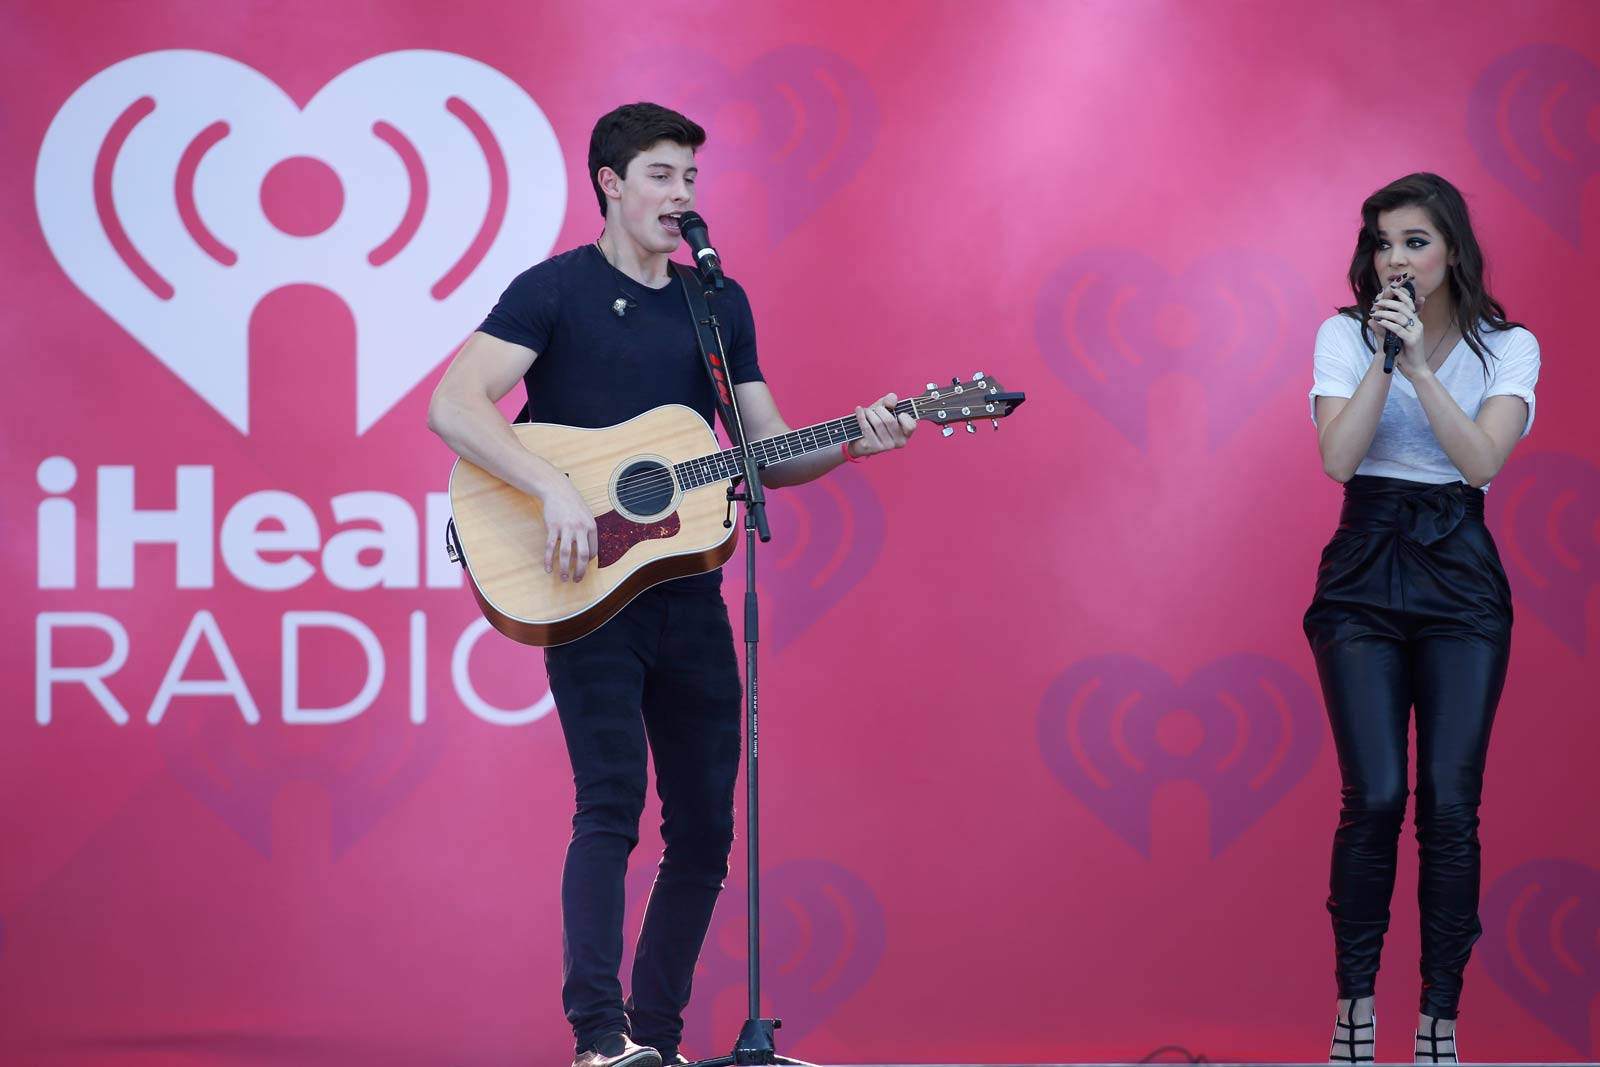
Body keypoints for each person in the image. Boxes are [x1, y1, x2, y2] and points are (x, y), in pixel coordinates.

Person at [426, 102, 916, 1067]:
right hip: (581, 588)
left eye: (691, 178)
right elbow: (453, 402)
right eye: (660, 175)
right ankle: (598, 1040)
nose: (681, 196)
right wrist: (552, 485)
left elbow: (767, 455)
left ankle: (659, 1041)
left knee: (705, 826)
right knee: (610, 800)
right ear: (610, 182)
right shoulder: (553, 291)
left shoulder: (715, 304)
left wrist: (857, 434)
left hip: (689, 589)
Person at [1303, 172, 1540, 1065]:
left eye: (1413, 241)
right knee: (1373, 795)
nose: (1393, 259)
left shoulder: (1508, 346)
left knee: (1450, 804)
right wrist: (1378, 358)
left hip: (1459, 572)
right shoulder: (1342, 333)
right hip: (1364, 564)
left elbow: (1480, 459)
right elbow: (1337, 458)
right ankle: (1354, 1005)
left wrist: (1423, 368)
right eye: (1381, 242)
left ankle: (1439, 1014)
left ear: (1452, 251)